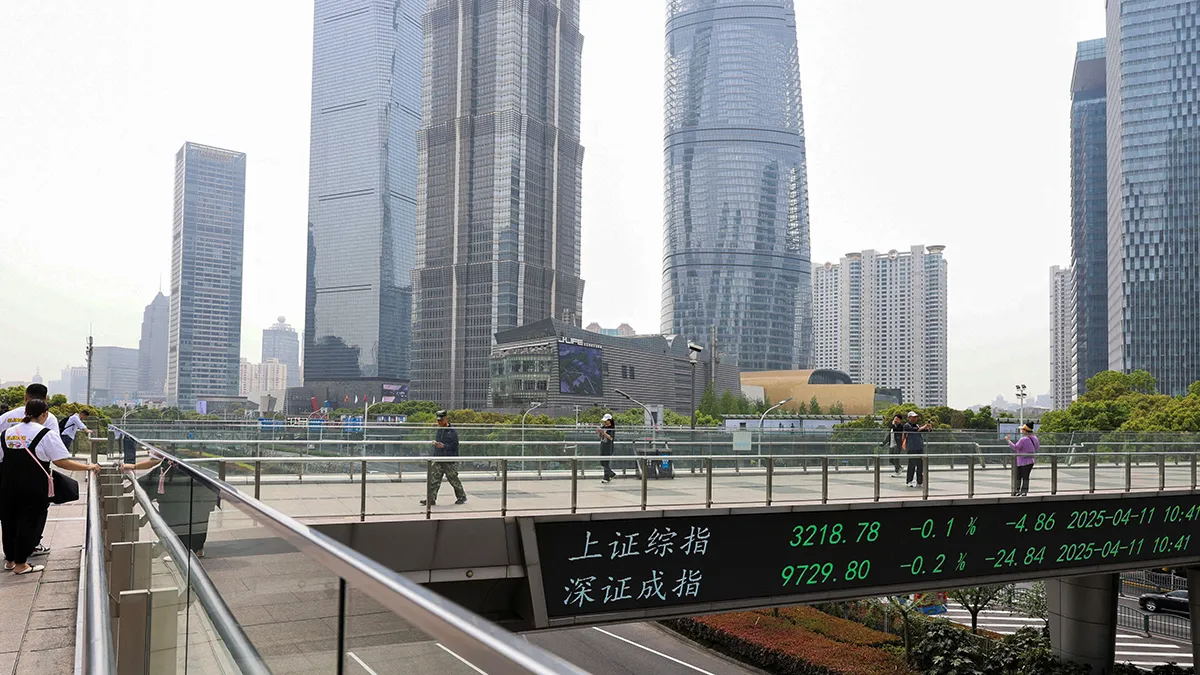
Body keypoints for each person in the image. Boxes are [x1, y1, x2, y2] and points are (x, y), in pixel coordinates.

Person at [1, 399, 100, 574]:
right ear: (44, 414)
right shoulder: (45, 433)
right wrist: (87, 467)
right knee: (28, 521)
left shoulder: (8, 433)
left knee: (9, 521)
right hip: (33, 486)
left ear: (25, 413)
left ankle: (9, 560)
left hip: (7, 484)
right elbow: (61, 462)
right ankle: (21, 564)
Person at [0, 384, 62, 559]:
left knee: (9, 511)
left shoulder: (8, 417)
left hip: (7, 470)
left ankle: (11, 554)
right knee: (35, 511)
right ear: (46, 400)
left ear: (25, 397)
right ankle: (32, 545)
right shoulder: (48, 418)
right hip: (36, 471)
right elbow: (55, 448)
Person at [122, 452, 219, 556]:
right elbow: (156, 459)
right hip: (199, 481)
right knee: (198, 515)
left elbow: (155, 460)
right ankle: (194, 549)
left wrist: (134, 466)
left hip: (186, 483)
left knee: (183, 517)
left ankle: (185, 551)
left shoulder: (168, 445)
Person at [420, 410, 467, 506]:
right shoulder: (439, 430)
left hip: (449, 459)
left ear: (446, 419)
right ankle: (431, 499)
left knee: (453, 478)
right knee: (434, 479)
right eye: (438, 421)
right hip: (439, 458)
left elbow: (455, 445)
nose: (439, 422)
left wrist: (444, 446)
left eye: (441, 420)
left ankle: (462, 496)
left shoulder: (452, 432)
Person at [1006, 423, 1039, 496]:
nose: (1022, 430)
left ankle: (1017, 490)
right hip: (1030, 461)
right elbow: (1037, 447)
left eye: (1023, 429)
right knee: (1026, 476)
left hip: (1021, 461)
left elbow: (1015, 447)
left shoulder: (1023, 439)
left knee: (1018, 476)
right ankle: (1024, 491)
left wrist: (1008, 441)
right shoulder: (1035, 438)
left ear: (1025, 430)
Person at [902, 411, 933, 488]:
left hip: (919, 448)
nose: (915, 418)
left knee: (920, 465)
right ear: (909, 417)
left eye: (916, 417)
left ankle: (920, 481)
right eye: (913, 417)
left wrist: (929, 428)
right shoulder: (907, 425)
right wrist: (924, 426)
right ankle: (909, 481)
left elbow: (924, 431)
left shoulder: (917, 425)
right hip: (912, 448)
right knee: (911, 465)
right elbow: (914, 430)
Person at [598, 414, 617, 483]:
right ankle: (610, 474)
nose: (605, 422)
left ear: (610, 421)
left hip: (608, 447)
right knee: (602, 462)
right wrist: (599, 432)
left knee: (606, 462)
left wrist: (604, 433)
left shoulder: (611, 428)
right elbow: (600, 438)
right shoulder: (603, 427)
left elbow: (611, 438)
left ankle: (607, 477)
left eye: (606, 421)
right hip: (603, 446)